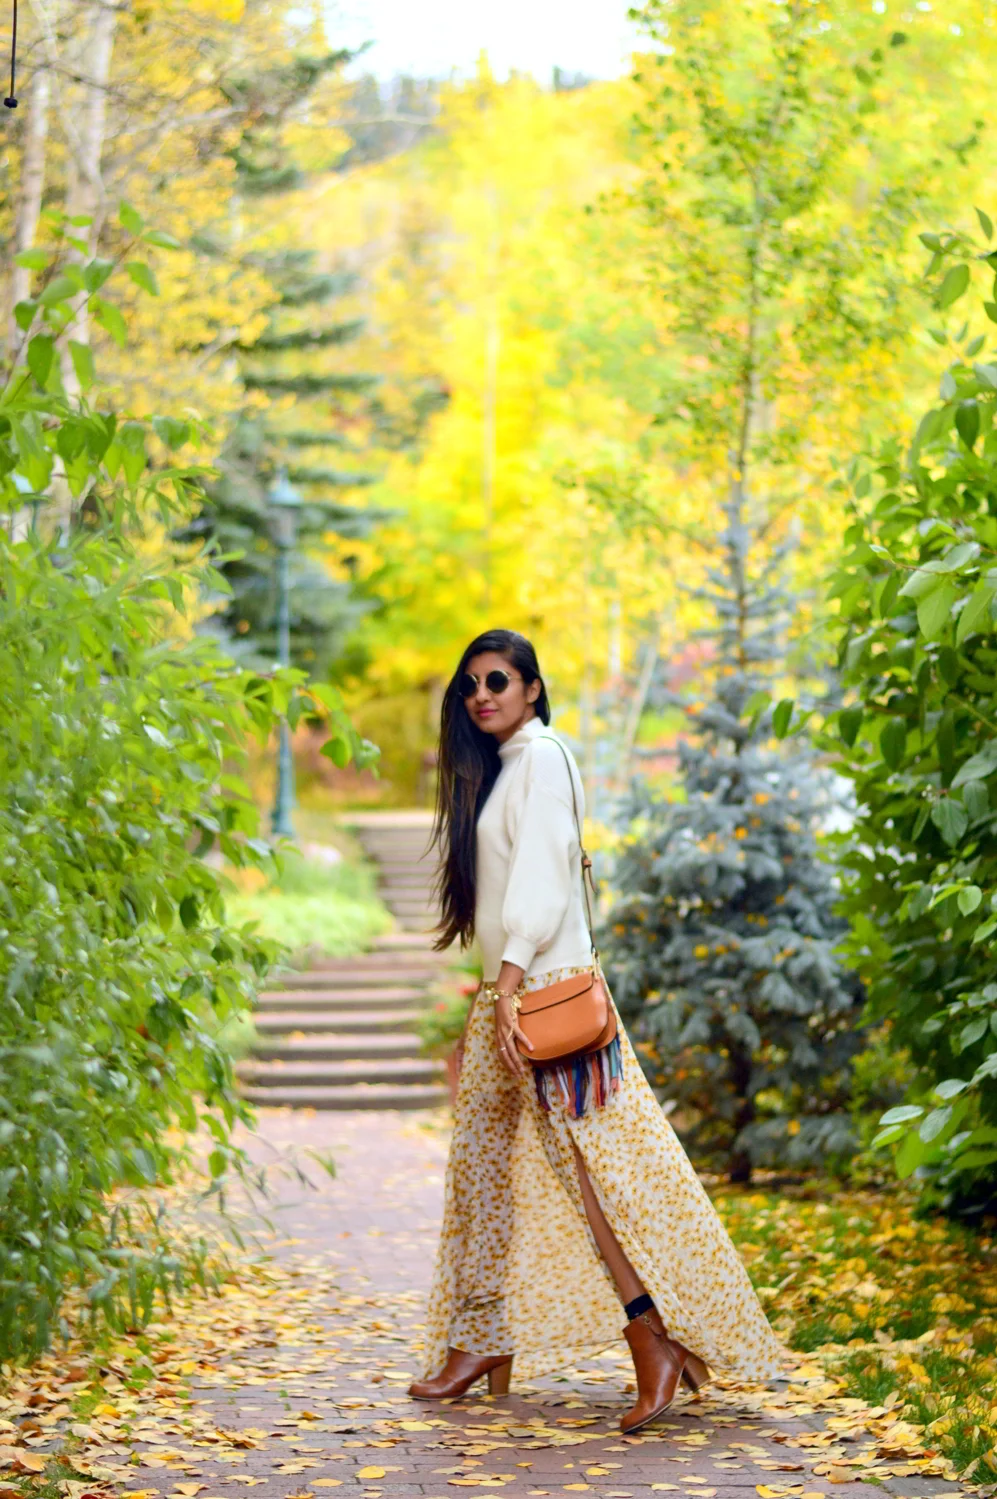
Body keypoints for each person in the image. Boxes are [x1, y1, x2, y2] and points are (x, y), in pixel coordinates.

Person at [408, 629, 785, 1431]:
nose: (480, 695)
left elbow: (545, 878)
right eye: (469, 683)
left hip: (543, 997)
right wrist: (489, 996)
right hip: (508, 993)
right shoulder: (504, 768)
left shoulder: (543, 757)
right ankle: (479, 1338)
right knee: (485, 1175)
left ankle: (653, 1334)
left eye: (497, 680)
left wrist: (509, 985)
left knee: (592, 1175)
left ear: (532, 688)